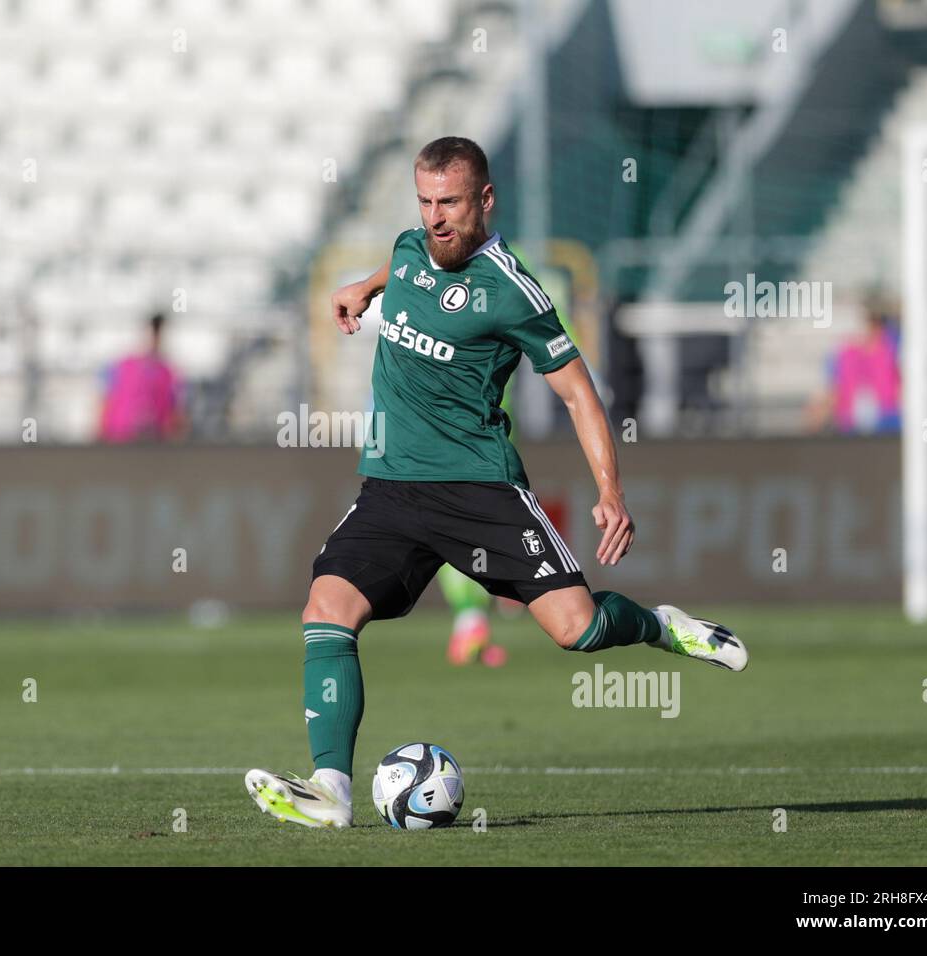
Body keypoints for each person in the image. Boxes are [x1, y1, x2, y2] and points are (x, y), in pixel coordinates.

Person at [244, 137, 747, 829]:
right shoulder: (410, 249)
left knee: (580, 629)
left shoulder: (514, 291)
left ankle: (666, 627)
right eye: (424, 202)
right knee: (326, 611)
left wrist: (611, 492)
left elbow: (578, 394)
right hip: (391, 488)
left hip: (480, 491)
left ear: (485, 200)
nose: (434, 218)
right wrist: (364, 286)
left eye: (448, 202)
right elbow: (403, 263)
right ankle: (332, 791)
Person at [805, 302, 901, 435]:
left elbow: (901, 387)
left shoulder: (893, 349)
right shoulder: (843, 354)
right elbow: (832, 391)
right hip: (850, 425)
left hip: (888, 423)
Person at [95, 313, 185, 442]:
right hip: (120, 438)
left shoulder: (168, 372)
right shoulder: (121, 366)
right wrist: (101, 432)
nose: (155, 337)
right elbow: (104, 400)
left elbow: (175, 409)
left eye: (159, 333)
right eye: (154, 331)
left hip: (155, 441)